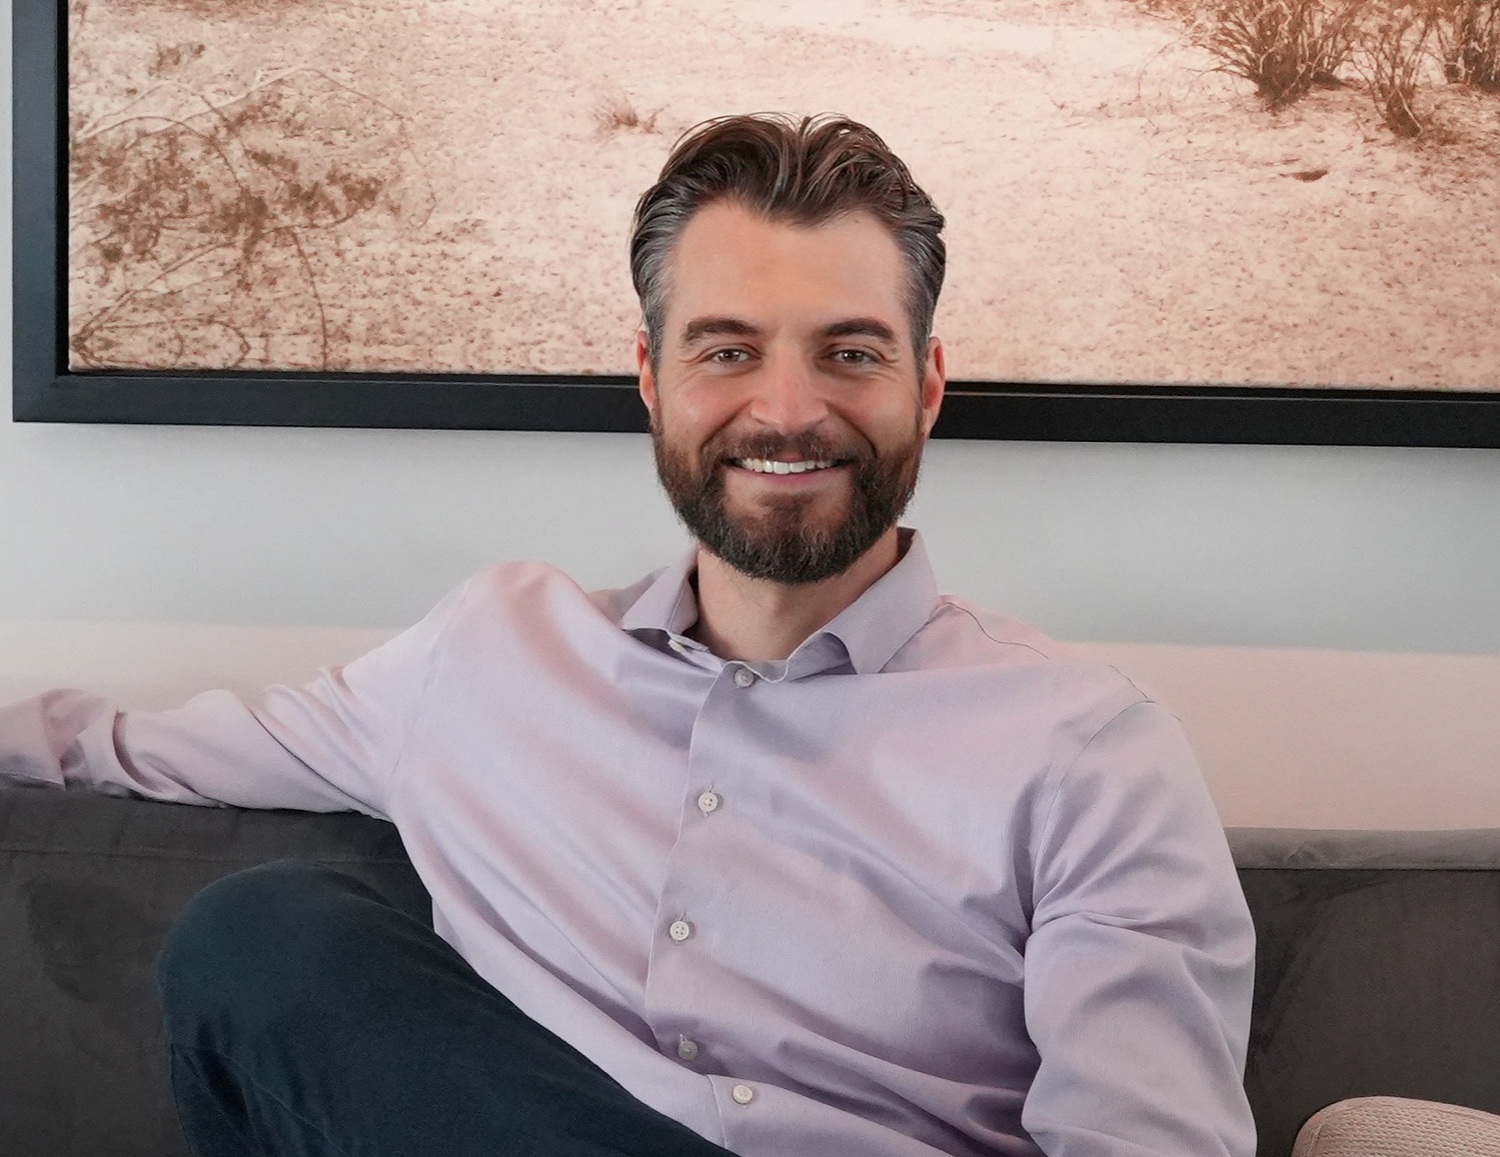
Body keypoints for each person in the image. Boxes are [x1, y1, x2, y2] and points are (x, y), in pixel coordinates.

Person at [0, 114, 1256, 1157]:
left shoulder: (1089, 750)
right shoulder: (488, 652)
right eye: (728, 350)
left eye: (850, 352)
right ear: (652, 380)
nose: (788, 408)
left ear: (925, 386)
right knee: (267, 934)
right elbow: (136, 749)